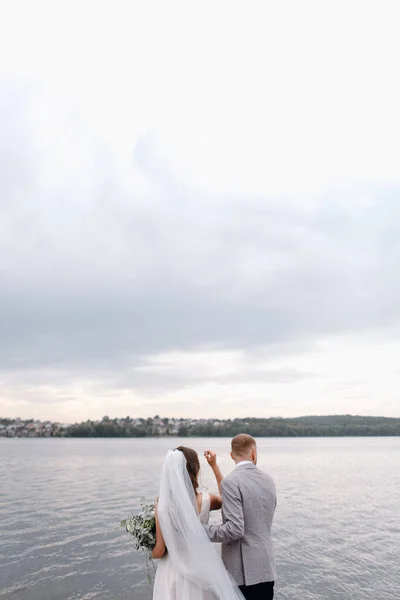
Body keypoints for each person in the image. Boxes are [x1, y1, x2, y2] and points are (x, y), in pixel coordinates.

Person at [152, 446, 244, 600]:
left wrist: (150, 550)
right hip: (203, 570)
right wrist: (214, 466)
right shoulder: (207, 500)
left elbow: (160, 550)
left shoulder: (163, 505)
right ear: (196, 470)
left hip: (172, 573)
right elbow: (226, 497)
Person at [204, 434, 277, 600]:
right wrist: (214, 466)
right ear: (254, 454)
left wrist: (200, 529)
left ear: (231, 455)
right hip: (266, 569)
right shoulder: (269, 480)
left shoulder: (231, 482)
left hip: (242, 574)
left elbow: (235, 530)